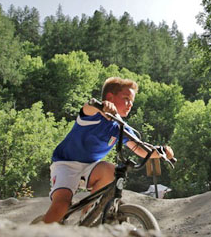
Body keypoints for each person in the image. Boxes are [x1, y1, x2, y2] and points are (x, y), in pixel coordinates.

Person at [43, 77, 174, 223]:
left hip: (91, 167)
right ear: (110, 97)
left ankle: (87, 218)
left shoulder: (120, 126)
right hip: (66, 164)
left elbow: (140, 148)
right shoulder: (94, 114)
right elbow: (87, 107)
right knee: (62, 204)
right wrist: (102, 106)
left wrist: (161, 152)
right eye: (126, 99)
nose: (130, 104)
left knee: (112, 170)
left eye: (132, 101)